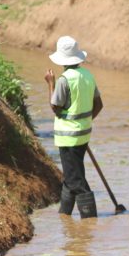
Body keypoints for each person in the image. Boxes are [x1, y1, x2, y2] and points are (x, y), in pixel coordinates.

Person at [44, 36, 104, 219]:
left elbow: (55, 107)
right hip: (83, 134)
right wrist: (84, 122)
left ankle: (90, 220)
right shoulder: (88, 75)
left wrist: (50, 84)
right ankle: (64, 216)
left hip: (68, 137)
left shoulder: (64, 80)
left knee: (75, 180)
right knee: (72, 176)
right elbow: (99, 105)